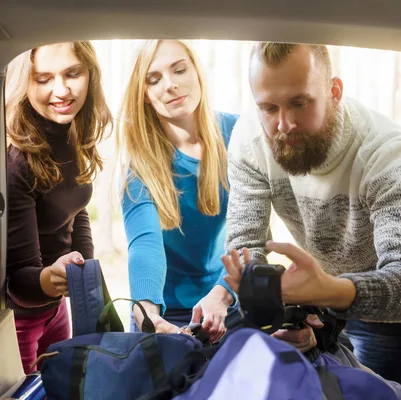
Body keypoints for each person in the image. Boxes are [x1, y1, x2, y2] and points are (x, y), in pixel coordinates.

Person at [222, 42, 401, 383]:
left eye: (299, 103)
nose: (284, 124)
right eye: (268, 107)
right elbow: (246, 243)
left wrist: (324, 291)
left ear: (334, 91)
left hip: (389, 311)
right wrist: (278, 306)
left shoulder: (389, 153)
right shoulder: (249, 139)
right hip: (315, 296)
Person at [118, 40, 238, 342]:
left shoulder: (238, 135)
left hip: (226, 300)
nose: (170, 85)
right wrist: (147, 313)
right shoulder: (139, 165)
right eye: (154, 79)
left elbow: (251, 233)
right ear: (144, 95)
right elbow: (144, 246)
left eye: (179, 70)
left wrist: (223, 295)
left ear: (197, 72)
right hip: (163, 312)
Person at [5, 41, 112, 373]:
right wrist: (53, 277)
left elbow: (75, 209)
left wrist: (85, 273)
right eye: (44, 78)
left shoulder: (74, 135)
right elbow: (17, 281)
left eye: (72, 73)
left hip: (58, 309)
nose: (61, 90)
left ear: (89, 74)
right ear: (25, 82)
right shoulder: (16, 162)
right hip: (18, 320)